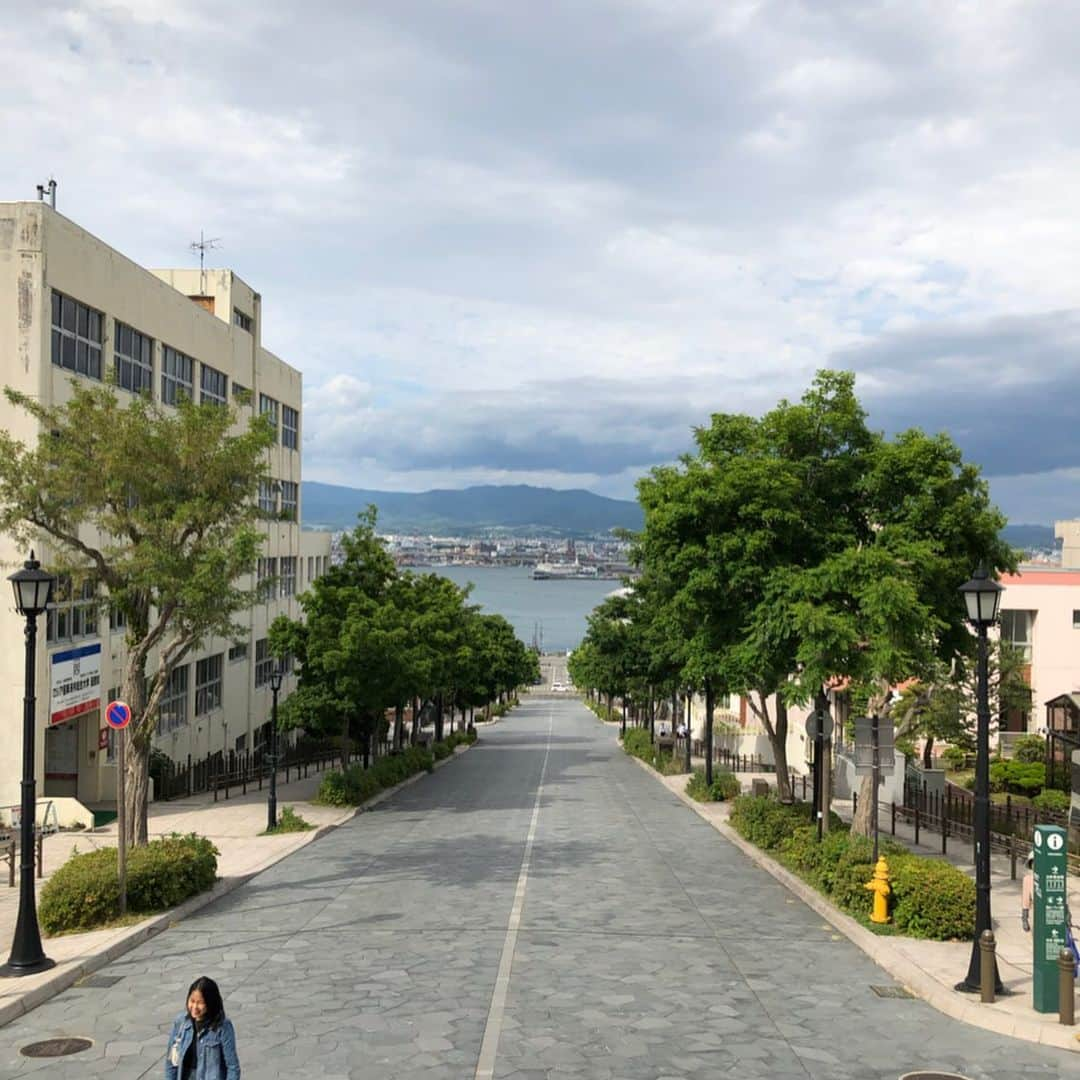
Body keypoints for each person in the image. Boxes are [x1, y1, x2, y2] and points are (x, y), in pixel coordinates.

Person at [165, 976, 240, 1080]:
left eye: (200, 1003)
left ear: (210, 1003)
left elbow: (232, 1067)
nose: (194, 1007)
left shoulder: (222, 1026)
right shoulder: (180, 1022)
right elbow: (171, 1062)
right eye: (192, 1001)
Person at [1022, 850, 1034, 933]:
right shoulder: (1028, 879)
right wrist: (1025, 919)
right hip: (1036, 913)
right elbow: (1026, 901)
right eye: (1032, 862)